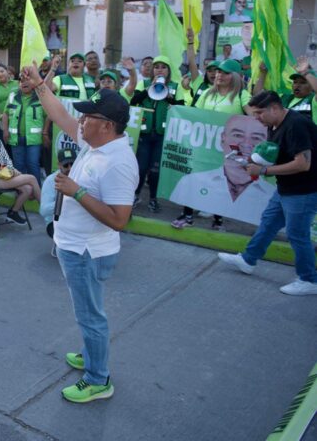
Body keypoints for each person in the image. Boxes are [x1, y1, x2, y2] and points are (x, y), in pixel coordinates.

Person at [27, 64, 138, 404]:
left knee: (91, 316)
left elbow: (120, 220)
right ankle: (92, 354)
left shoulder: (118, 162)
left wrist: (76, 192)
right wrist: (40, 87)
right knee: (88, 311)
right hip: (76, 246)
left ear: (107, 126)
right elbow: (61, 114)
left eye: (89, 117)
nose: (81, 121)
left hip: (88, 251)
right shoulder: (96, 143)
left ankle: (98, 379)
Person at [218, 91, 317, 295]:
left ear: (274, 108)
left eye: (259, 113)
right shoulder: (274, 124)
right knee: (269, 222)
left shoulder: (296, 124)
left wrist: (263, 170)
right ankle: (248, 260)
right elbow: (279, 154)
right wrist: (254, 161)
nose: (256, 118)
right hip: (286, 188)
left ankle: (309, 280)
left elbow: (303, 163)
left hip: (304, 190)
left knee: (298, 235)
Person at [172, 58, 252, 230]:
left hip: (225, 150)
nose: (219, 75)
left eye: (225, 72)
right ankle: (187, 215)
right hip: (203, 146)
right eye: (218, 72)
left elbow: (253, 118)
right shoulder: (208, 93)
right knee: (194, 179)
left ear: (236, 76)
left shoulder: (241, 95)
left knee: (222, 183)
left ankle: (218, 220)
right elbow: (195, 114)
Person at [130, 55, 188, 212]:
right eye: (157, 67)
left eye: (163, 67)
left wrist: (170, 99)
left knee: (155, 170)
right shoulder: (144, 83)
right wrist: (149, 89)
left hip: (163, 135)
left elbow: (182, 108)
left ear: (169, 71)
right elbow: (133, 101)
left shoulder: (176, 87)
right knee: (140, 168)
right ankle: (136, 195)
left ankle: (153, 199)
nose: (159, 70)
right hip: (144, 134)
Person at [0, 119, 40, 225]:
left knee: (28, 189)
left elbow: (6, 158)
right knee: (31, 178)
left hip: (5, 173)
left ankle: (13, 213)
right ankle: (45, 209)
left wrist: (13, 170)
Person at [2, 77, 45, 184]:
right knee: (19, 165)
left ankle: (36, 191)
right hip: (16, 138)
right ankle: (22, 190)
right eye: (21, 81)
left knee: (33, 164)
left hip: (34, 139)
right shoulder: (12, 96)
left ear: (34, 82)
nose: (24, 83)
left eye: (27, 80)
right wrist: (5, 131)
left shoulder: (41, 96)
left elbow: (48, 115)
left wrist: (45, 132)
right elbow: (5, 114)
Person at [40, 148, 77, 257]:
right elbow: (44, 211)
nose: (70, 168)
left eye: (72, 164)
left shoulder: (80, 177)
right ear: (59, 165)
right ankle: (59, 244)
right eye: (66, 165)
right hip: (55, 221)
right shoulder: (51, 181)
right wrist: (66, 200)